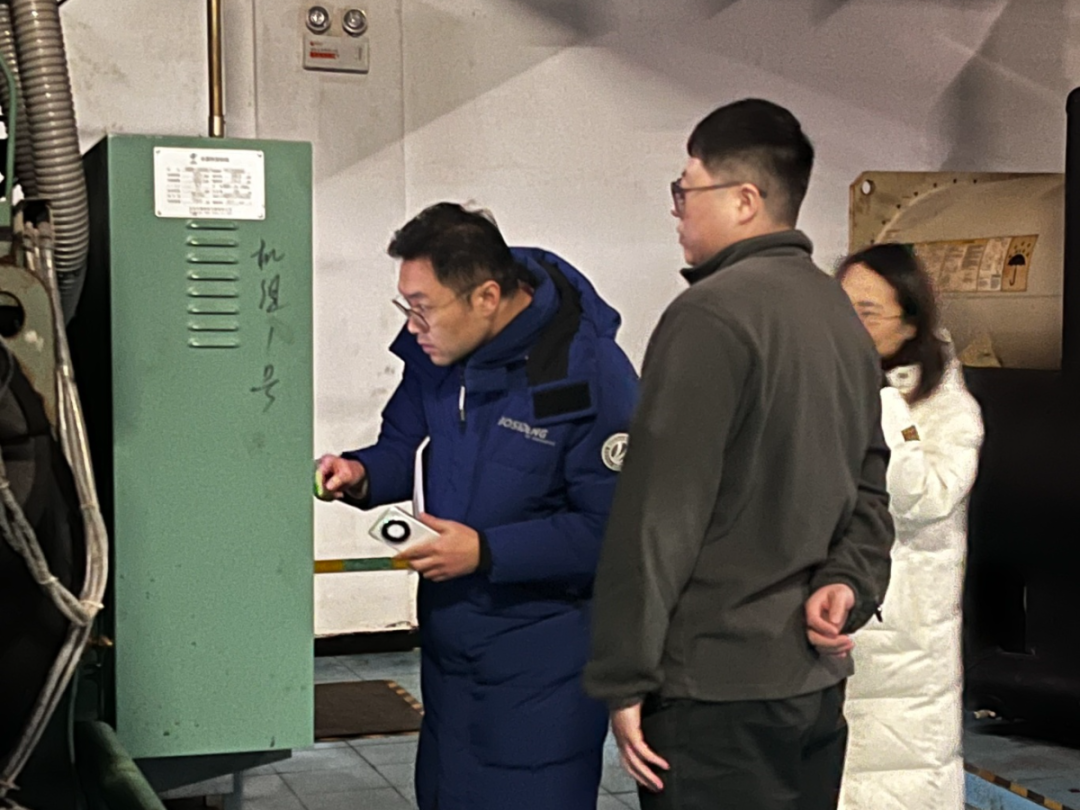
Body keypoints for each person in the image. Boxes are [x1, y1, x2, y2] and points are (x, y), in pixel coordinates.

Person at [582, 98, 896, 810]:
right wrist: (849, 581)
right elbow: (871, 485)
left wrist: (624, 677)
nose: (677, 212)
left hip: (714, 697)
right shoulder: (837, 314)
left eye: (685, 190)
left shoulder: (709, 316)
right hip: (811, 690)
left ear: (745, 199)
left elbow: (660, 516)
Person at [316, 202, 638, 810]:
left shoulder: (586, 376)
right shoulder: (440, 356)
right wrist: (359, 474)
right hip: (450, 654)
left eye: (423, 307)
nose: (413, 326)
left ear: (487, 297)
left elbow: (614, 530)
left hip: (543, 663)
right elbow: (406, 447)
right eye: (406, 307)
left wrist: (486, 552)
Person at [834, 243, 984, 810]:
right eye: (841, 307)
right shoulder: (828, 386)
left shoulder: (947, 407)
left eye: (867, 312)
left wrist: (882, 402)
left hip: (903, 651)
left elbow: (926, 495)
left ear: (911, 321)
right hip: (835, 628)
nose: (850, 325)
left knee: (898, 784)